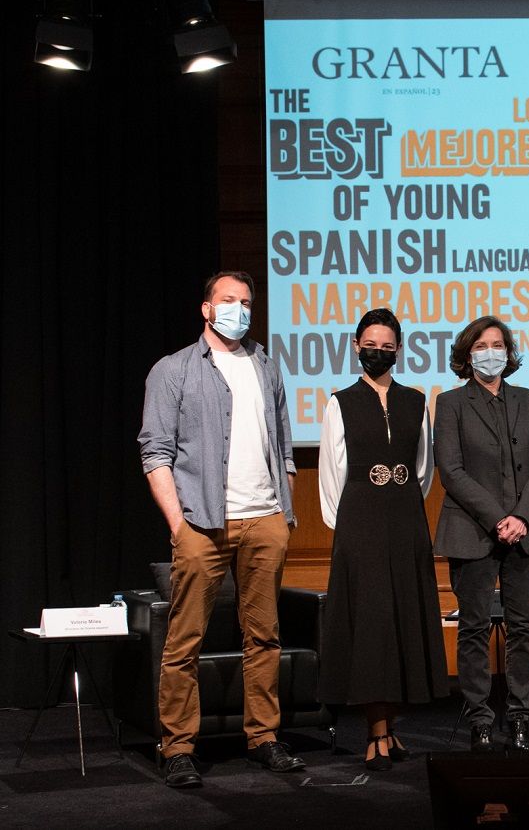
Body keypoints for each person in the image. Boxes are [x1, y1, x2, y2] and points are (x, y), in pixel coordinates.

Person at [139, 271, 305, 788]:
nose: (240, 308)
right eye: (229, 300)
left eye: (247, 302)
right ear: (206, 308)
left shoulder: (265, 365)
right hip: (202, 522)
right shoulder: (174, 370)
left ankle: (264, 737)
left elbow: (283, 447)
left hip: (264, 519)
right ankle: (179, 747)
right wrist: (178, 524)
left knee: (265, 636)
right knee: (184, 639)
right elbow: (155, 453)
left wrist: (285, 514)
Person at [317, 308, 449, 771]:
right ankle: (375, 732)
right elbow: (332, 475)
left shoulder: (416, 401)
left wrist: (402, 507)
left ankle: (390, 729)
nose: (379, 351)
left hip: (406, 520)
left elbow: (423, 471)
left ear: (398, 350)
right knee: (372, 624)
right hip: (360, 522)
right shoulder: (340, 402)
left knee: (401, 619)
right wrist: (350, 529)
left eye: (387, 345)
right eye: (370, 344)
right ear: (356, 346)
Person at [433, 316, 529, 752]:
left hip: (527, 529)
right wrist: (496, 518)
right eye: (482, 345)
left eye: (499, 344)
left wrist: (520, 516)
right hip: (471, 530)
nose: (492, 352)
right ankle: (480, 718)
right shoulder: (449, 404)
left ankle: (521, 715)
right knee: (474, 627)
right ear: (468, 355)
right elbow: (451, 470)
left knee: (523, 626)